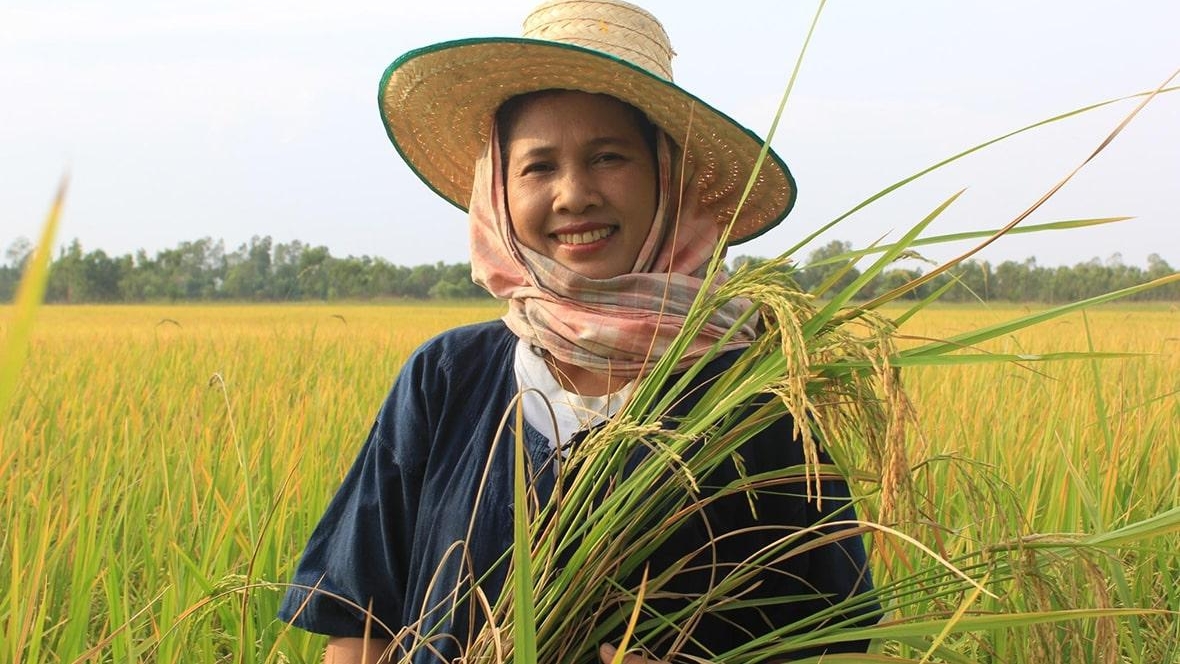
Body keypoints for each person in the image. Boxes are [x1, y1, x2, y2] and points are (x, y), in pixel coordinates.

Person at [279, 1, 877, 662]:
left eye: (608, 158)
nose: (573, 195)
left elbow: (833, 638)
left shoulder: (751, 392)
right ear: (499, 192)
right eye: (537, 166)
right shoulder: (445, 377)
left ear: (666, 180)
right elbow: (360, 622)